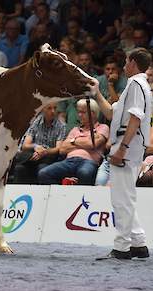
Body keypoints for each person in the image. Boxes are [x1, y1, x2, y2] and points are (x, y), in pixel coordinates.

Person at [89, 47, 152, 259]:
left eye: (126, 61)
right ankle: (138, 243)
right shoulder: (140, 86)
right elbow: (111, 112)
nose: (124, 65)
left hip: (127, 146)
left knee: (121, 199)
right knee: (126, 197)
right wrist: (96, 92)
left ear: (133, 62)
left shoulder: (135, 84)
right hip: (131, 146)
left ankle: (122, 247)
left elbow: (135, 118)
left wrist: (122, 148)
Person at [38, 99, 109, 185]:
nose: (79, 115)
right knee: (44, 173)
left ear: (92, 113)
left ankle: (81, 197)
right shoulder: (75, 129)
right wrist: (85, 142)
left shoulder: (102, 128)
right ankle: (60, 195)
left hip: (89, 161)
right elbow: (62, 149)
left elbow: (93, 144)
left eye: (83, 112)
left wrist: (73, 141)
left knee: (84, 173)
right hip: (69, 161)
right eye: (79, 112)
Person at [13, 102, 66, 184]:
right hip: (33, 156)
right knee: (19, 168)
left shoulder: (61, 126)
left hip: (49, 158)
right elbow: (25, 145)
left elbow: (58, 149)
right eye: (49, 108)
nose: (53, 111)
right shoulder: (35, 123)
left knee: (42, 168)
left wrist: (44, 152)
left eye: (55, 108)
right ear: (42, 109)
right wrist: (36, 147)